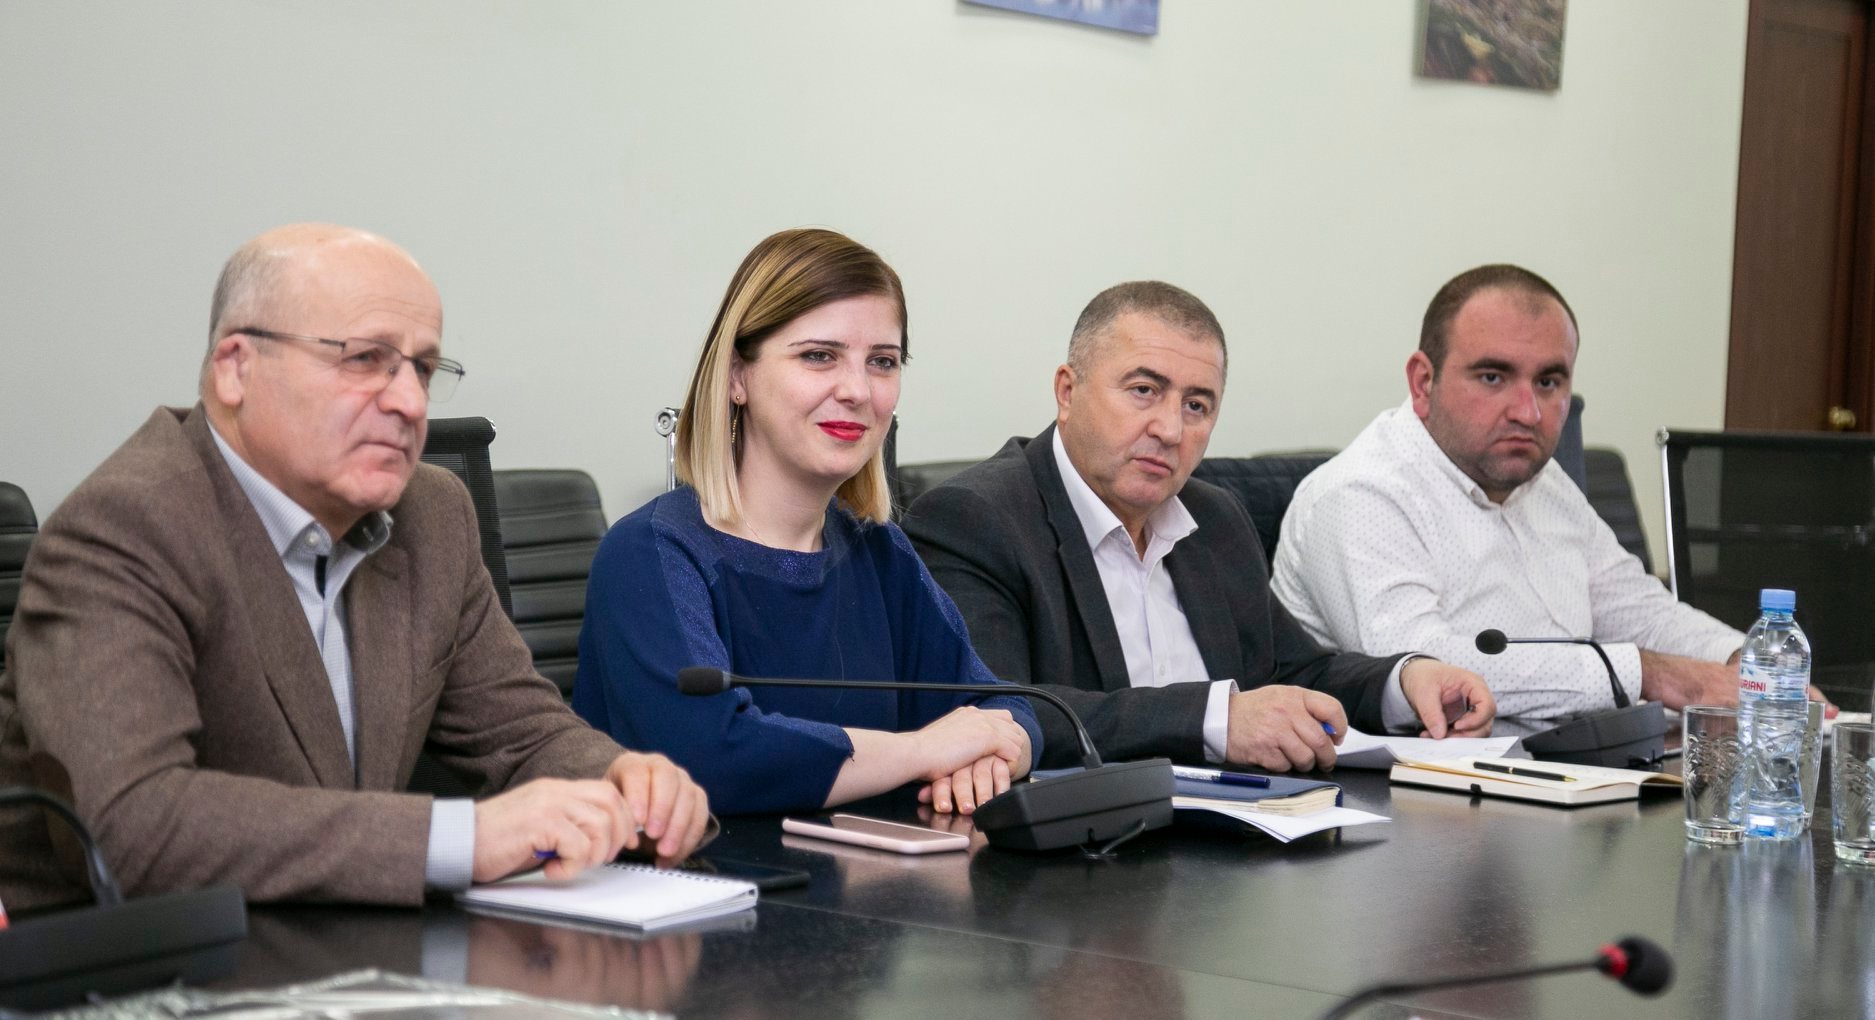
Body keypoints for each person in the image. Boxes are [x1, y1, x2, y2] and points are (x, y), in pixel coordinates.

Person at [0, 224, 711, 913]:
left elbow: (519, 732)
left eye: (422, 369)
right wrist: (463, 839)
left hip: (335, 938)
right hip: (123, 959)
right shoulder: (124, 526)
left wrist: (623, 781)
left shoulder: (432, 514)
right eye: (365, 359)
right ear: (236, 368)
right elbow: (130, 825)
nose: (409, 402)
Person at [902, 281, 1494, 772]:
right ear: (1067, 391)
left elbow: (1293, 672)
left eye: (1197, 405)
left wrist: (1405, 681)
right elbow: (998, 712)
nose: (1170, 429)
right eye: (1143, 391)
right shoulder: (975, 518)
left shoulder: (1214, 517)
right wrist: (1216, 721)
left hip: (1240, 838)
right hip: (1086, 851)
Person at [572, 228, 1042, 816]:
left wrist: (998, 754)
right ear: (737, 376)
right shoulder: (650, 552)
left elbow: (1006, 708)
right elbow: (710, 757)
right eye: (819, 356)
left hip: (877, 871)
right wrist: (924, 751)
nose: (857, 390)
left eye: (882, 362)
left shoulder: (880, 552)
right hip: (712, 871)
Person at [1271, 263, 1833, 717]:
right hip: (1412, 795)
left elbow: (1638, 611)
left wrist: (1749, 664)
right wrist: (1653, 675)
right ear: (1423, 382)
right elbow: (1426, 669)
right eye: (1493, 377)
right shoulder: (1358, 495)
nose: (1528, 411)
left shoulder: (1540, 479)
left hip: (1565, 766)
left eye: (1549, 381)